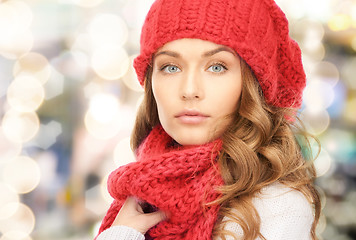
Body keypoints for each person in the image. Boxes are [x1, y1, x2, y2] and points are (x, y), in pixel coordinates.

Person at [95, 0, 321, 239]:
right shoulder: (140, 193)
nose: (190, 90)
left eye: (216, 67)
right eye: (171, 67)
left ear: (252, 84)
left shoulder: (276, 208)